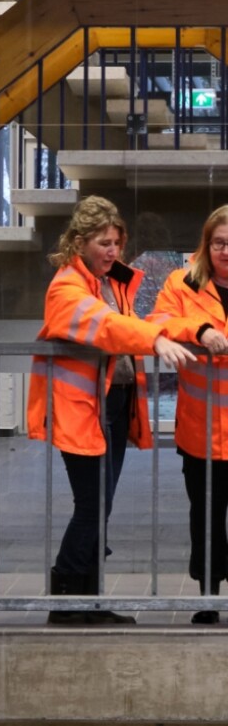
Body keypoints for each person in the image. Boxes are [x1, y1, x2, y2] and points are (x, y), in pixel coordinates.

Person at [28, 195, 193, 625]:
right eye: (104, 242)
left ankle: (89, 601)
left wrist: (185, 331)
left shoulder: (113, 281)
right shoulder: (67, 286)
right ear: (79, 242)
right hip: (81, 409)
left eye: (118, 242)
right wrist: (154, 341)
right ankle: (66, 598)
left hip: (112, 406)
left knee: (100, 505)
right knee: (92, 505)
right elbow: (107, 326)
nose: (114, 251)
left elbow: (141, 322)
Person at [150, 205, 228, 623]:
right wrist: (200, 331)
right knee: (206, 517)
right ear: (206, 244)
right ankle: (210, 596)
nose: (226, 251)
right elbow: (159, 321)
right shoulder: (181, 283)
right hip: (201, 429)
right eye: (219, 243)